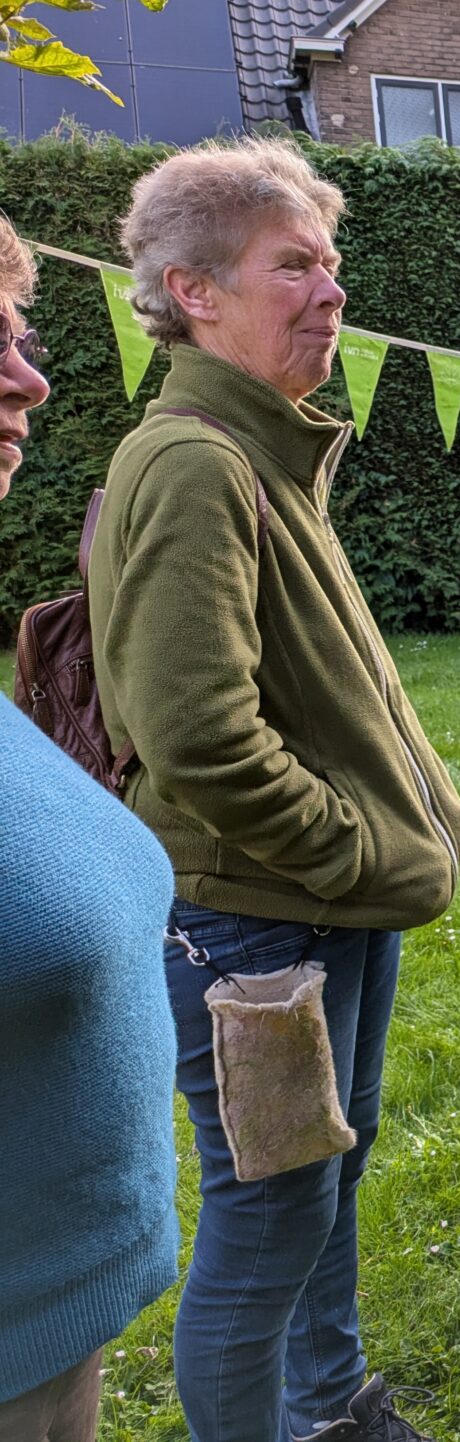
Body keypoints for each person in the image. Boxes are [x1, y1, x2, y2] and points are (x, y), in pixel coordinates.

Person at [89, 139, 460, 1442]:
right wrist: (355, 848)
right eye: (293, 265)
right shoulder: (198, 460)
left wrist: (361, 861)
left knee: (326, 1175)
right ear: (193, 291)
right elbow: (195, 735)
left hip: (319, 907)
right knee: (266, 1220)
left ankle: (330, 1403)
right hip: (255, 922)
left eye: (333, 263)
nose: (331, 291)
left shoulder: (267, 450)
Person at [0, 219, 179, 1442]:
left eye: (20, 335)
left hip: (57, 1333)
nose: (30, 377)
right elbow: (199, 716)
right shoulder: (194, 462)